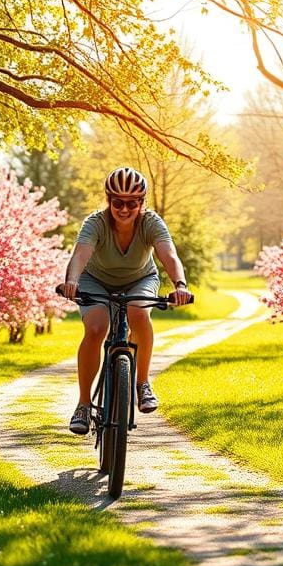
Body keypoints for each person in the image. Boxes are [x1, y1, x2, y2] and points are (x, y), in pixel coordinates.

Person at [61, 166, 191, 434]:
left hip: (140, 279)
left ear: (142, 203)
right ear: (109, 200)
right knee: (96, 328)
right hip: (94, 280)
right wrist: (72, 281)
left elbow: (169, 255)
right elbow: (81, 255)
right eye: (117, 202)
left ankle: (142, 383)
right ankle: (84, 404)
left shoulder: (151, 223)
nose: (124, 209)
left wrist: (180, 285)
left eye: (132, 203)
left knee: (139, 313)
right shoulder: (95, 222)